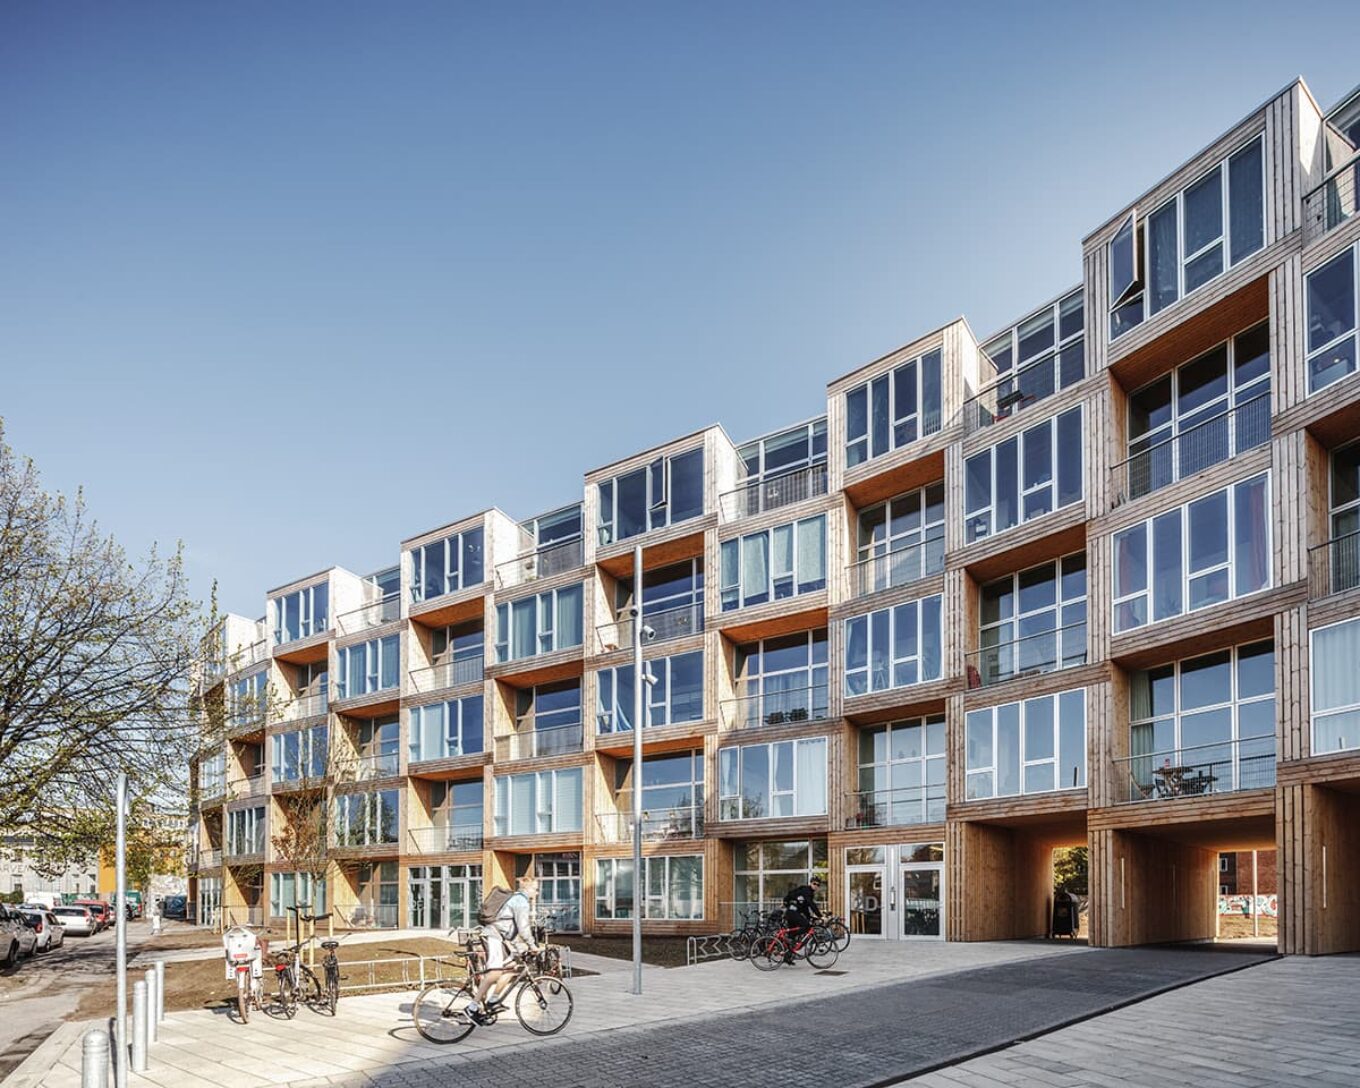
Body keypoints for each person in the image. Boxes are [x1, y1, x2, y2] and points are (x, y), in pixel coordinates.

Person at [465, 875, 540, 1023]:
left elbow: (512, 930)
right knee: (495, 972)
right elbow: (523, 928)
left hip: (499, 938)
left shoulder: (517, 899)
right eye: (535, 889)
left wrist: (520, 948)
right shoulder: (521, 902)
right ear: (528, 888)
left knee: (511, 968)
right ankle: (472, 1007)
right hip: (493, 936)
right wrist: (533, 946)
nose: (537, 893)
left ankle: (493, 1000)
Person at [781, 876, 824, 958]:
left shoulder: (805, 891)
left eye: (818, 885)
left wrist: (809, 917)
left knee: (791, 937)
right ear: (810, 883)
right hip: (792, 913)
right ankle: (790, 938)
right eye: (814, 883)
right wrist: (820, 916)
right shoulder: (807, 891)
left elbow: (805, 907)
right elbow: (811, 904)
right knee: (807, 926)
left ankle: (787, 956)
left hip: (792, 912)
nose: (816, 886)